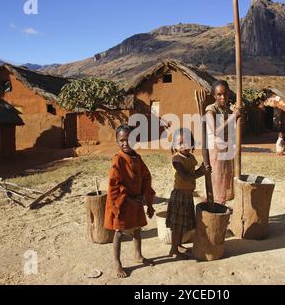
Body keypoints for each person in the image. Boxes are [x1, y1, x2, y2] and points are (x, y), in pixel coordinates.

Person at [104, 125, 156, 278]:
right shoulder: (118, 160)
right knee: (119, 232)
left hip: (136, 201)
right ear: (117, 142)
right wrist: (128, 198)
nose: (125, 143)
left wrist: (144, 196)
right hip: (122, 203)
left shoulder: (137, 158)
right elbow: (114, 184)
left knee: (137, 228)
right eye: (122, 140)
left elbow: (146, 176)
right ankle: (117, 263)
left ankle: (138, 255)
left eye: (129, 140)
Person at [166, 128, 211, 259]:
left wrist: (202, 169)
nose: (183, 146)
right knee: (177, 226)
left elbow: (193, 171)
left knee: (181, 224)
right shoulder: (177, 159)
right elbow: (185, 176)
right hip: (179, 196)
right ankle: (174, 250)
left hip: (187, 196)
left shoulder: (190, 157)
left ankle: (178, 245)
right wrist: (201, 172)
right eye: (180, 143)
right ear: (174, 145)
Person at [205, 80, 242, 205]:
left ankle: (221, 204)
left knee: (226, 179)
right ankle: (215, 205)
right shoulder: (211, 110)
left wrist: (235, 115)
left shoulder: (227, 110)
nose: (223, 97)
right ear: (214, 95)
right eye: (219, 94)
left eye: (225, 94)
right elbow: (215, 131)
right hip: (216, 151)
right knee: (217, 179)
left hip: (227, 150)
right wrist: (233, 116)